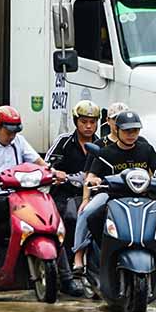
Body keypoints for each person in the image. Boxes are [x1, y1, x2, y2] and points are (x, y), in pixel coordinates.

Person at [72, 110, 156, 307]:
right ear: (117, 129)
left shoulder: (146, 149)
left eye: (135, 130)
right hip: (113, 198)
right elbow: (91, 176)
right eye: (127, 130)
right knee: (89, 212)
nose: (131, 134)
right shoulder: (107, 152)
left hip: (144, 199)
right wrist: (94, 181)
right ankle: (79, 256)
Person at [0, 106, 76, 294]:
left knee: (48, 223)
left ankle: (67, 277)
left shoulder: (19, 142)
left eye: (15, 132)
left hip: (15, 195)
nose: (12, 136)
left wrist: (52, 171)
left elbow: (37, 161)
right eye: (8, 132)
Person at [46, 99, 101, 257]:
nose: (89, 126)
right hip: (65, 194)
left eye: (92, 122)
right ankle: (65, 260)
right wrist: (56, 174)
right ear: (76, 122)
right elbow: (47, 166)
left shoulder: (102, 145)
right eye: (84, 122)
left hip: (93, 195)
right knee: (66, 218)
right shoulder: (64, 142)